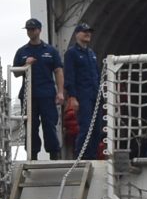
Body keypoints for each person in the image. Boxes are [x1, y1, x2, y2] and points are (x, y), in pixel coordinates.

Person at [12, 19, 62, 157]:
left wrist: (61, 92)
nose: (30, 32)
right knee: (31, 126)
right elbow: (15, 73)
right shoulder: (22, 51)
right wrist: (25, 65)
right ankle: (32, 156)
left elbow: (58, 71)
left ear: (39, 30)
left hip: (47, 95)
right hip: (29, 96)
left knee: (49, 125)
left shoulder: (50, 51)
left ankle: (54, 155)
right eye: (28, 29)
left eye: (33, 29)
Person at [61, 22, 104, 158]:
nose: (87, 34)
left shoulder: (91, 54)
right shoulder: (71, 54)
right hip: (82, 95)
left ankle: (92, 156)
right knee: (85, 128)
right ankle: (81, 157)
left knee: (97, 129)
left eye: (89, 32)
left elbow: (98, 74)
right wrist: (72, 97)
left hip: (95, 95)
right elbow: (69, 75)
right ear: (77, 34)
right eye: (84, 31)